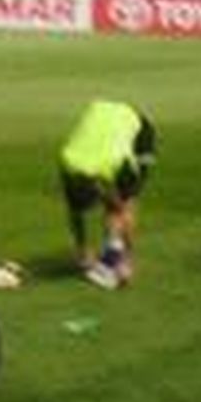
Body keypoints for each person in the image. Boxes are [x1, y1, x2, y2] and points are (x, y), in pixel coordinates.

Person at [59, 99, 156, 289]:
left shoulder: (121, 164)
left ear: (98, 187)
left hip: (135, 127)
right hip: (100, 120)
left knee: (122, 204)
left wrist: (128, 260)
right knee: (111, 206)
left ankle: (121, 257)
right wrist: (82, 250)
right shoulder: (68, 161)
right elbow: (75, 212)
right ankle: (111, 251)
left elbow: (122, 207)